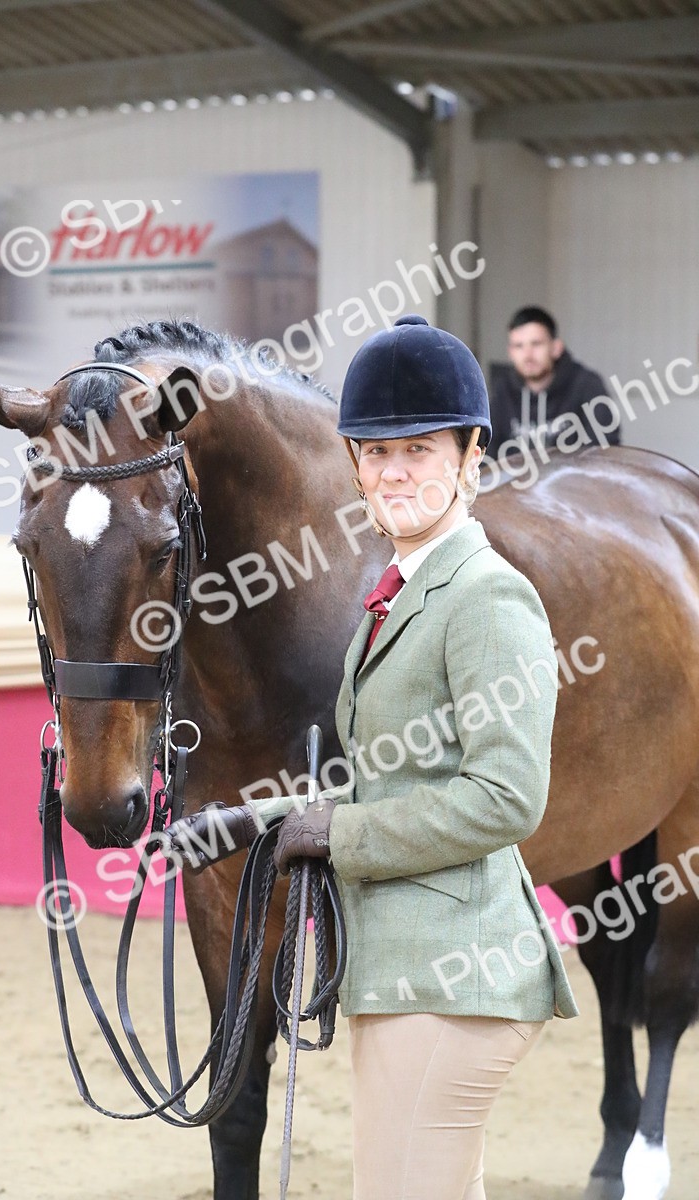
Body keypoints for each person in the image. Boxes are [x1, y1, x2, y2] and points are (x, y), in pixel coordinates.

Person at [167, 314, 579, 1200]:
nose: (395, 471)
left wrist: (334, 835)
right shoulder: (399, 592)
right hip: (401, 975)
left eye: (421, 450)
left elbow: (507, 799)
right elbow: (386, 776)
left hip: (450, 980)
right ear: (352, 464)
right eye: (377, 452)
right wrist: (258, 820)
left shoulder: (487, 595)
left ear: (472, 456)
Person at [487, 305, 621, 459]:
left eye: (536, 344)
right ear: (510, 352)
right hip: (514, 482)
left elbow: (605, 452)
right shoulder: (500, 390)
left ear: (556, 348)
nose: (527, 355)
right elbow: (486, 457)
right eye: (519, 346)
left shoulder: (587, 385)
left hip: (572, 482)